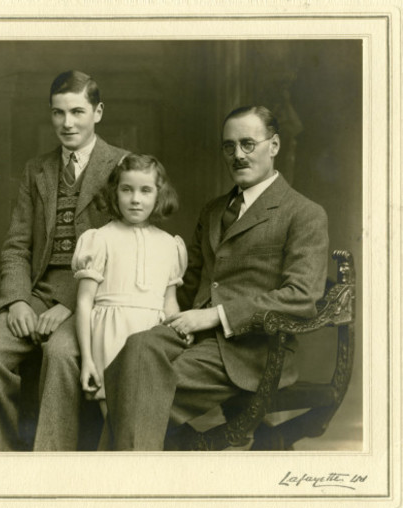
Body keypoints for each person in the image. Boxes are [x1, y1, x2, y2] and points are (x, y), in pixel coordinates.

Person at [104, 106, 330, 450]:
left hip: (252, 351)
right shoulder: (213, 211)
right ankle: (140, 474)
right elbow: (189, 281)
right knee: (136, 349)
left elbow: (301, 296)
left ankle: (125, 489)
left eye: (248, 144)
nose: (237, 155)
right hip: (195, 337)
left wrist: (215, 315)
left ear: (275, 145)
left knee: (136, 386)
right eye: (229, 146)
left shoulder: (304, 214)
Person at [0, 70, 129, 451]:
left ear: (98, 112)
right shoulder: (36, 169)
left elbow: (125, 250)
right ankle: (7, 458)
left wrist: (67, 305)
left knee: (60, 353)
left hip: (95, 296)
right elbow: (15, 245)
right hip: (36, 292)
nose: (67, 123)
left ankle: (51, 465)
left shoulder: (124, 166)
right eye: (58, 113)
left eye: (77, 111)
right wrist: (18, 300)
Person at [72, 154, 186, 421]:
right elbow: (84, 302)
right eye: (127, 190)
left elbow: (170, 302)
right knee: (115, 419)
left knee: (149, 419)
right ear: (115, 193)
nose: (136, 199)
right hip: (110, 334)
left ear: (159, 194)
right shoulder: (100, 239)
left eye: (146, 190)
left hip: (152, 334)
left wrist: (177, 337)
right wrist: (87, 359)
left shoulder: (170, 245)